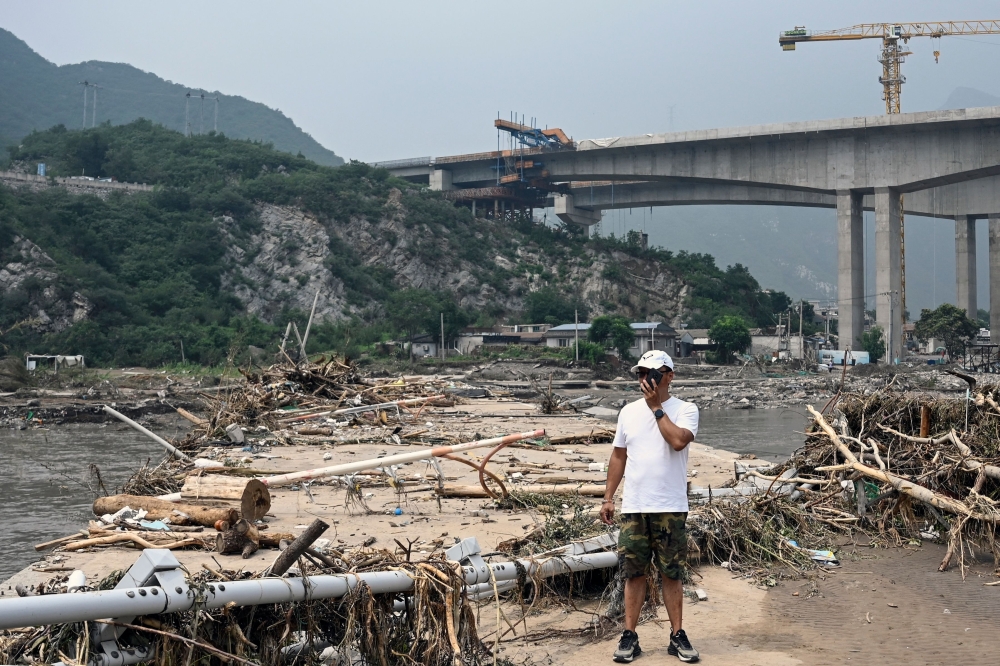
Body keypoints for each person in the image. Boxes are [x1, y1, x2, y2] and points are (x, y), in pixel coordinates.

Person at [601, 349, 700, 663]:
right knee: (634, 573)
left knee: (672, 573)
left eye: (652, 373)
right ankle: (630, 636)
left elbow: (678, 441)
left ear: (669, 376)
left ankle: (677, 635)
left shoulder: (686, 409)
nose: (646, 379)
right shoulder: (628, 412)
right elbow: (619, 455)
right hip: (634, 506)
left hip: (669, 506)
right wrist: (608, 497)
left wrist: (657, 407)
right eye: (641, 374)